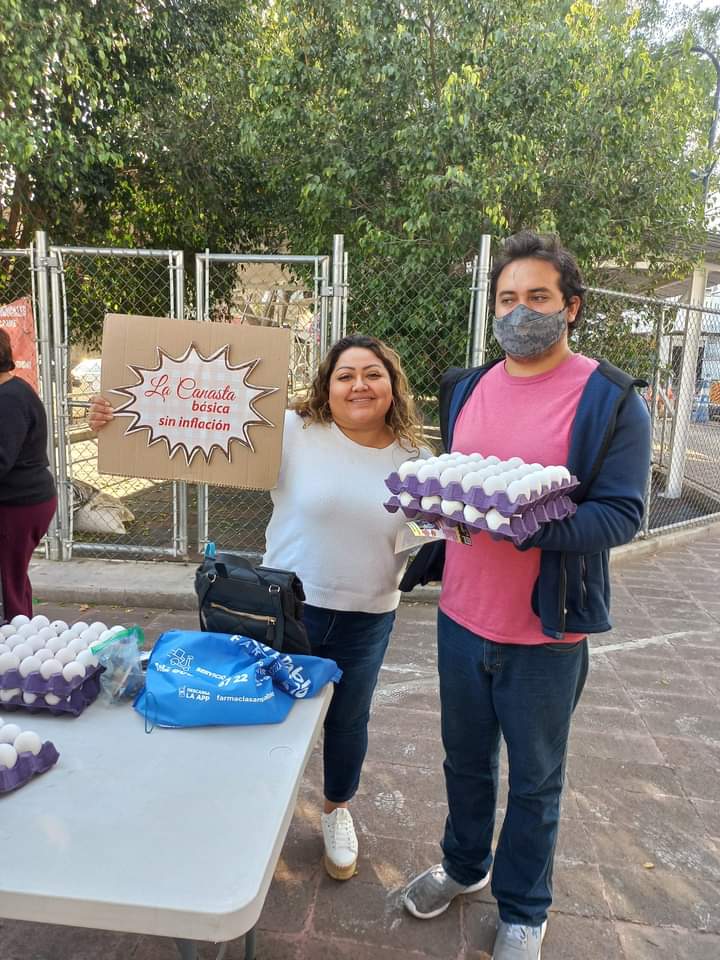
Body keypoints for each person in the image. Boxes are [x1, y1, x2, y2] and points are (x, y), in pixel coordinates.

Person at [89, 333, 429, 881]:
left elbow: (423, 534)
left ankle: (336, 811)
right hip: (284, 609)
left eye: (373, 374)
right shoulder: (292, 432)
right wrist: (117, 419)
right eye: (345, 375)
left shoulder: (417, 459)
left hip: (368, 614)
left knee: (347, 720)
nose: (359, 385)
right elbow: (191, 426)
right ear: (327, 386)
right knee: (256, 707)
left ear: (393, 385)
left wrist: (447, 532)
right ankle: (245, 810)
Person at [400, 232, 651, 960]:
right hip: (461, 616)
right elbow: (459, 487)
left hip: (547, 632)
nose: (520, 312)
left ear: (571, 307)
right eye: (507, 298)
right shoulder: (465, 387)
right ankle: (464, 865)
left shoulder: (609, 400)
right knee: (463, 759)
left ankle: (524, 910)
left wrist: (528, 524)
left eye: (538, 297)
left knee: (536, 780)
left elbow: (622, 514)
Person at [0, 329, 57, 622]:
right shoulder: (13, 390)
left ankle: (13, 636)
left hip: (18, 503)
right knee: (12, 578)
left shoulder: (8, 400)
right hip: (24, 500)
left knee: (6, 584)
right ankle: (22, 630)